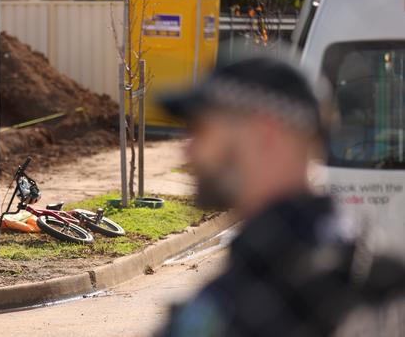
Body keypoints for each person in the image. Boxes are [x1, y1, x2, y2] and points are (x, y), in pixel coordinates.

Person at [157, 57, 405, 337]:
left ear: (266, 135)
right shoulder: (376, 269)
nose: (188, 151)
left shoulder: (263, 295)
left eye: (201, 130)